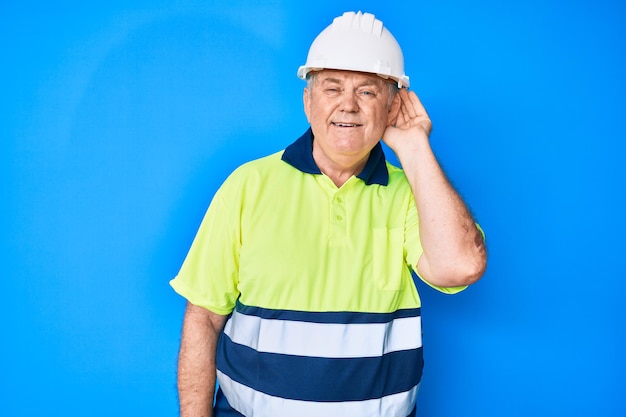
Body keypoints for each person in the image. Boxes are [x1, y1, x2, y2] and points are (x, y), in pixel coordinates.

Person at [170, 10, 486, 417]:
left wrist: (413, 148)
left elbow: (460, 267)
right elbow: (204, 317)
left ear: (393, 106)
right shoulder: (248, 185)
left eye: (368, 92)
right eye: (332, 88)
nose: (348, 106)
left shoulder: (414, 194)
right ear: (308, 100)